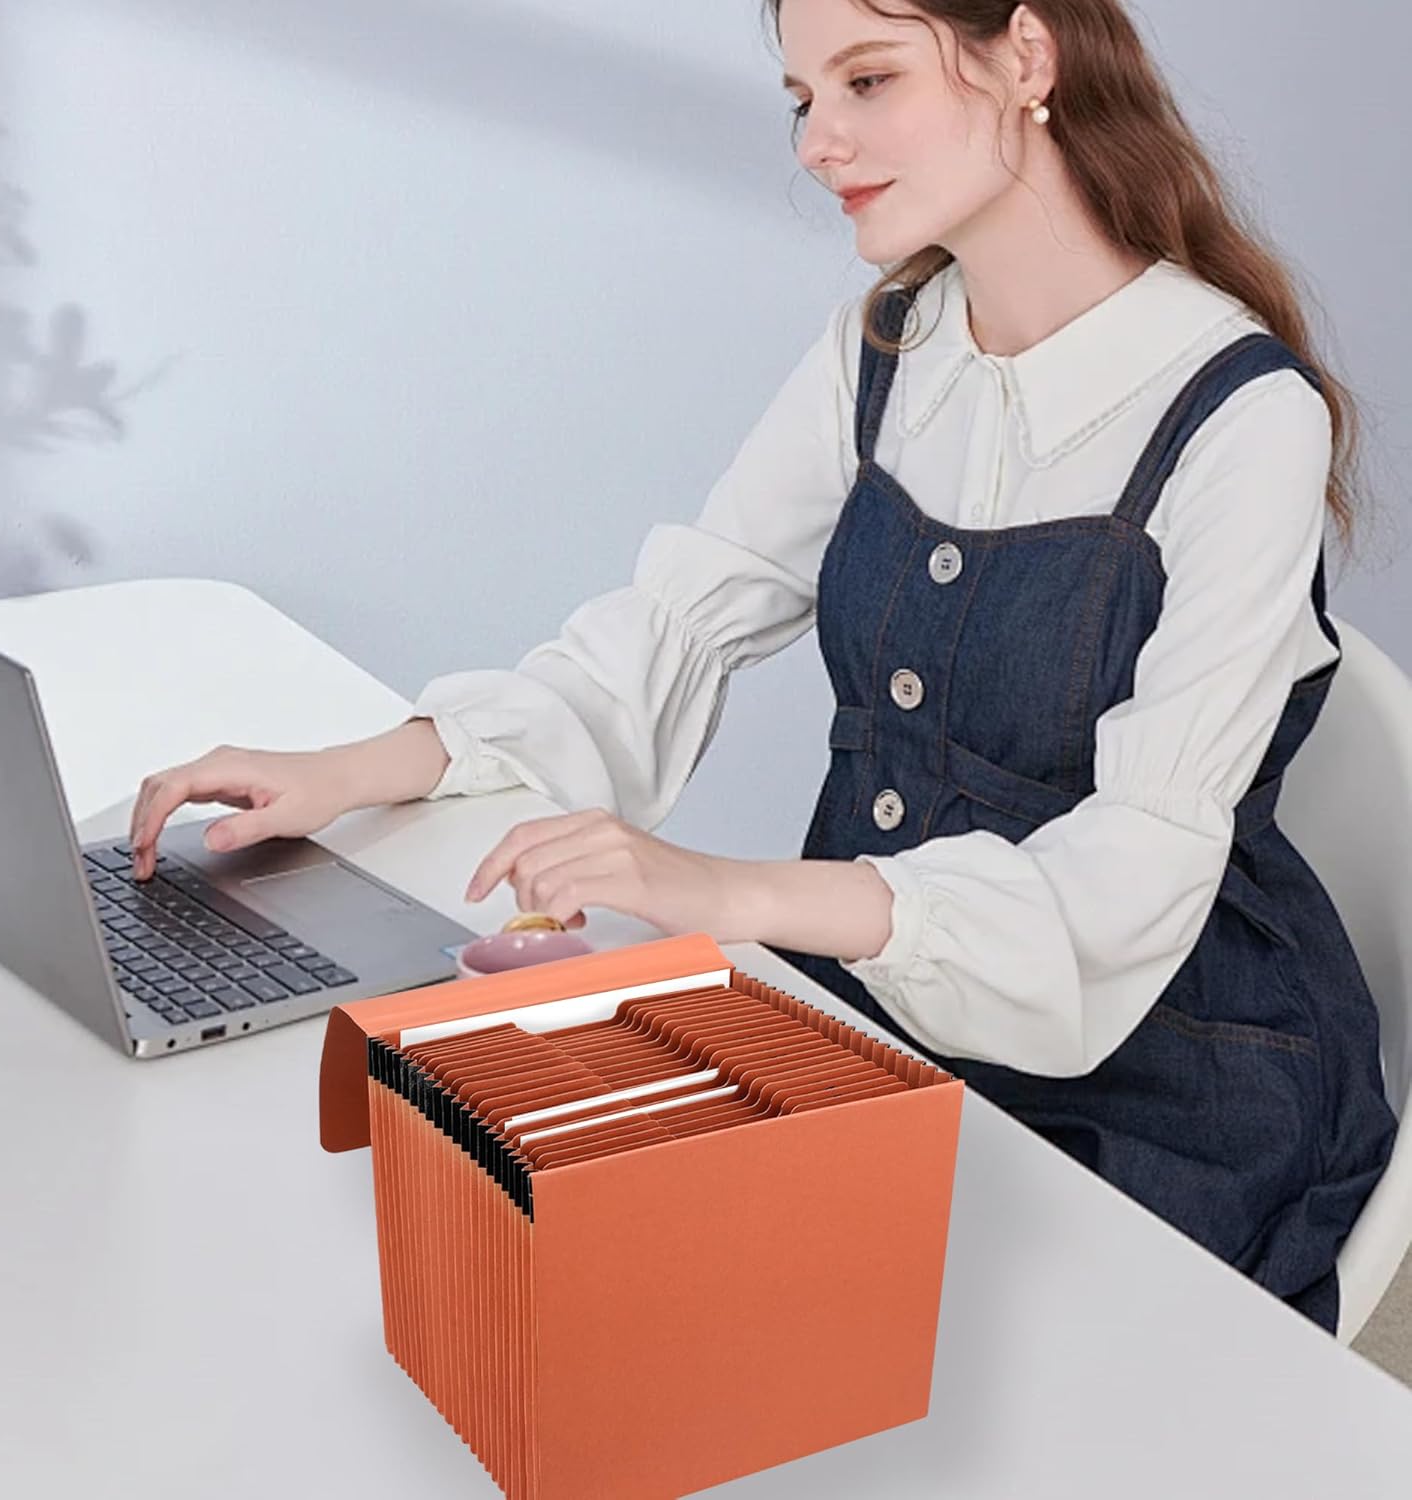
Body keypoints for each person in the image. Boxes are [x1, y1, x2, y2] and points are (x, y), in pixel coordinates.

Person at [126, 0, 1397, 1331]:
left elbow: (1137, 861)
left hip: (1159, 1084)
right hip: (869, 1016)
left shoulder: (1245, 416)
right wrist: (353, 769)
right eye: (803, 99)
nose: (817, 142)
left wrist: (720, 892)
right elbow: (678, 624)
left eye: (868, 80)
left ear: (1027, 57)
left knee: (779, 1340)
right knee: (504, 1255)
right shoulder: (889, 345)